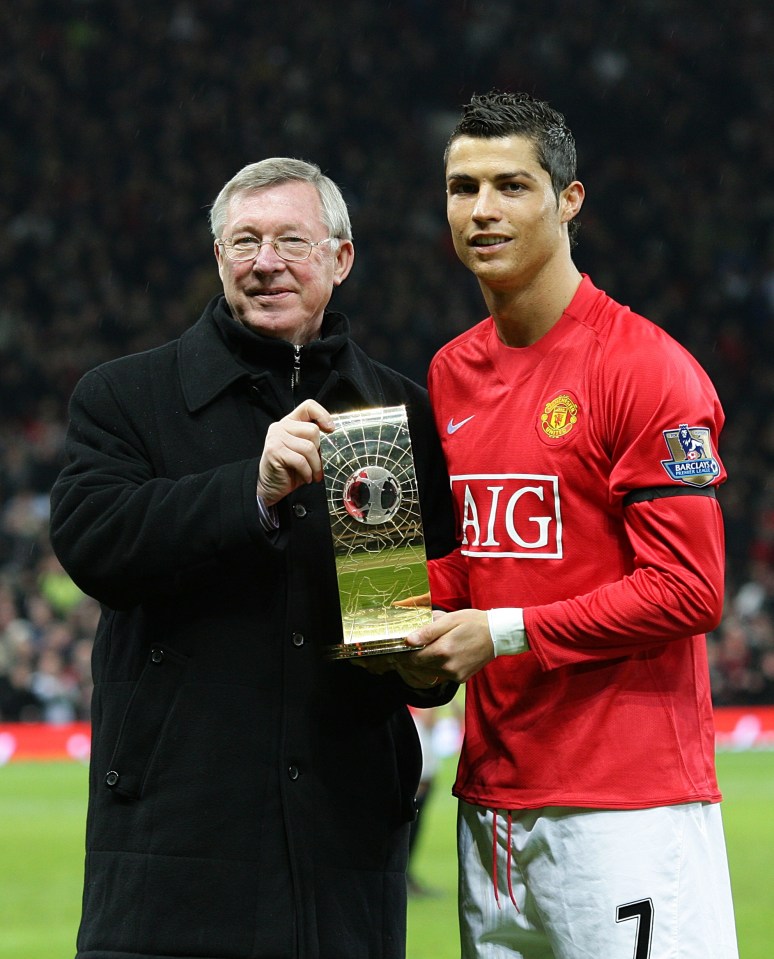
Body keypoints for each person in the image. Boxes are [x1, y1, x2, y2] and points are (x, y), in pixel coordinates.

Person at [49, 157, 457, 959]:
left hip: (344, 846)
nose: (265, 261)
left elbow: (413, 609)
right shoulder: (128, 396)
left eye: (290, 241)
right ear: (218, 259)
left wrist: (424, 661)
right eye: (244, 241)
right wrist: (251, 489)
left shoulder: (396, 411)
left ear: (340, 259)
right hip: (177, 839)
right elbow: (94, 540)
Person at [403, 91, 739, 958]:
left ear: (569, 199)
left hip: (626, 812)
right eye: (461, 187)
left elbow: (689, 589)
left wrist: (499, 633)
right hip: (493, 813)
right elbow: (474, 570)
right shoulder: (450, 372)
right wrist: (381, 611)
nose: (481, 210)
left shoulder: (646, 369)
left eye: (511, 185)